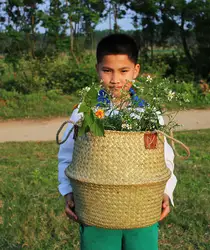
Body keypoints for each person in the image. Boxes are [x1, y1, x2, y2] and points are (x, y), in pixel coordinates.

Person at [58, 34, 177, 250]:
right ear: (97, 69)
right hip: (96, 208)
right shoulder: (84, 112)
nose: (115, 80)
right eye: (107, 70)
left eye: (124, 71)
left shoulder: (148, 112)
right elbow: (67, 154)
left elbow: (164, 157)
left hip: (142, 207)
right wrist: (67, 191)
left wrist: (166, 191)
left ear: (136, 70)